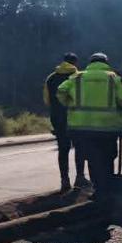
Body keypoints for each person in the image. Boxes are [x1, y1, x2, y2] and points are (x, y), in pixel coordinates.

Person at [57, 52, 122, 201]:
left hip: (81, 127)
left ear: (90, 62)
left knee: (91, 159)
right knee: (107, 158)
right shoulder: (113, 78)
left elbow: (61, 91)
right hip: (107, 127)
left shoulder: (77, 77)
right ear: (106, 62)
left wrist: (70, 104)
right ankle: (106, 189)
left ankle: (97, 189)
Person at [43, 52, 89, 192]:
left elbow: (47, 100)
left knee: (63, 149)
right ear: (75, 62)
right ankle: (80, 177)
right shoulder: (78, 77)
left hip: (57, 118)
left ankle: (64, 180)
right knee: (79, 148)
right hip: (75, 118)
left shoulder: (51, 78)